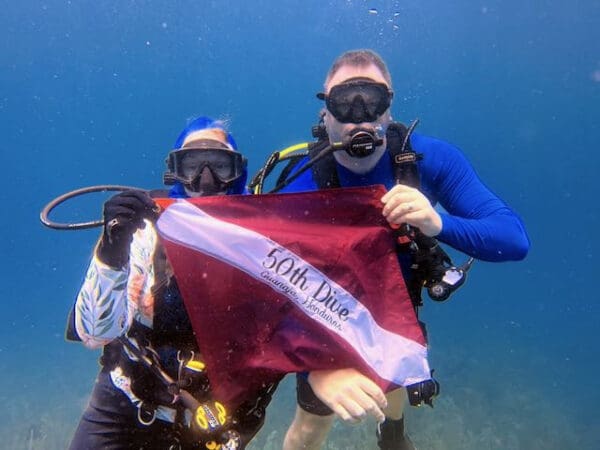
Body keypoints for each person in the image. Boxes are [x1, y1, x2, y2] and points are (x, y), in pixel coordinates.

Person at [276, 50, 530, 450]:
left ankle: (391, 431)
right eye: (344, 101)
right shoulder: (300, 180)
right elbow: (267, 286)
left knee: (392, 392)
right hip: (322, 312)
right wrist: (315, 372)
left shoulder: (431, 159)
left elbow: (514, 239)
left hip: (397, 305)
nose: (359, 114)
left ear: (389, 109)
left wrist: (438, 223)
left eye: (372, 99)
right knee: (309, 428)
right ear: (325, 114)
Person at [66, 117, 278, 450]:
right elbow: (95, 332)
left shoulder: (263, 241)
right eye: (192, 165)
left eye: (220, 165)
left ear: (238, 171)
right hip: (125, 404)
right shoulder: (145, 231)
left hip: (211, 420)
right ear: (174, 171)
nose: (205, 179)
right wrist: (111, 252)